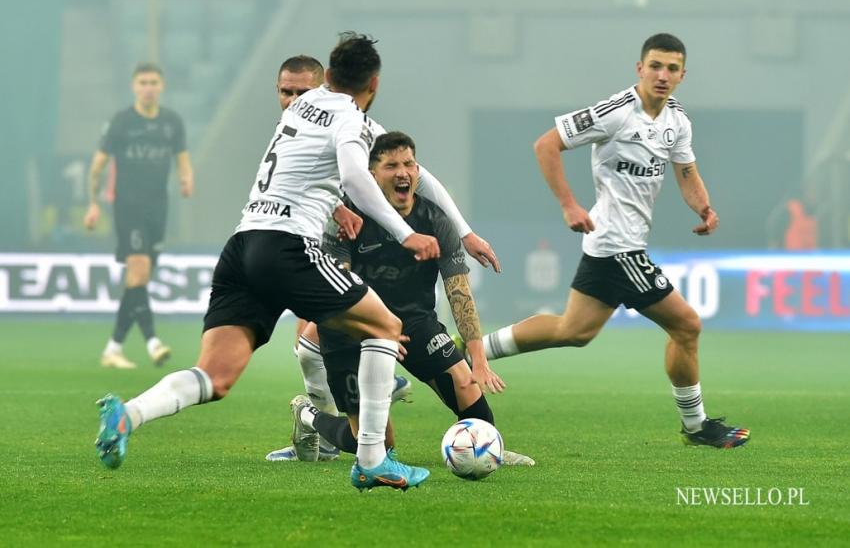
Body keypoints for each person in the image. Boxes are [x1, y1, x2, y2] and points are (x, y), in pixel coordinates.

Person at [95, 33, 444, 491]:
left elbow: (309, 167)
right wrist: (406, 232)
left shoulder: (302, 105)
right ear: (373, 84)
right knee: (386, 327)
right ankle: (373, 460)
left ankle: (129, 415)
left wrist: (332, 201)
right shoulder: (350, 116)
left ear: (328, 75)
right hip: (287, 245)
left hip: (242, 246)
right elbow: (358, 177)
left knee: (215, 376)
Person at [464, 33, 750, 449]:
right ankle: (696, 425)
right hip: (619, 247)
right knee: (687, 325)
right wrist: (568, 204)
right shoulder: (616, 112)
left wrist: (703, 208)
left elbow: (686, 171)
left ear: (682, 75)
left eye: (672, 69)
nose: (663, 75)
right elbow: (546, 145)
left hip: (610, 245)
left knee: (574, 330)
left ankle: (469, 351)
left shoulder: (676, 120)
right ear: (640, 68)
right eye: (655, 66)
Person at [267, 54, 502, 462]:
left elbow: (428, 182)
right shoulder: (296, 144)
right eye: (286, 92)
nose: (293, 100)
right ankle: (314, 420)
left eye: (302, 92)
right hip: (346, 300)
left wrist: (462, 232)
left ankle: (487, 447)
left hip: (408, 316)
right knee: (310, 345)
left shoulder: (356, 132)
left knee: (463, 381)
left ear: (323, 88)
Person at [84, 62, 194, 369]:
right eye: (143, 82)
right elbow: (97, 166)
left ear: (162, 86)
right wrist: (93, 203)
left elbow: (182, 157)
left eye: (153, 82)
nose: (148, 87)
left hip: (158, 209)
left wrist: (187, 178)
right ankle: (153, 342)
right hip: (128, 207)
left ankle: (113, 348)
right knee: (139, 270)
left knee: (139, 279)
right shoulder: (122, 122)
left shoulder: (172, 122)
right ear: (134, 86)